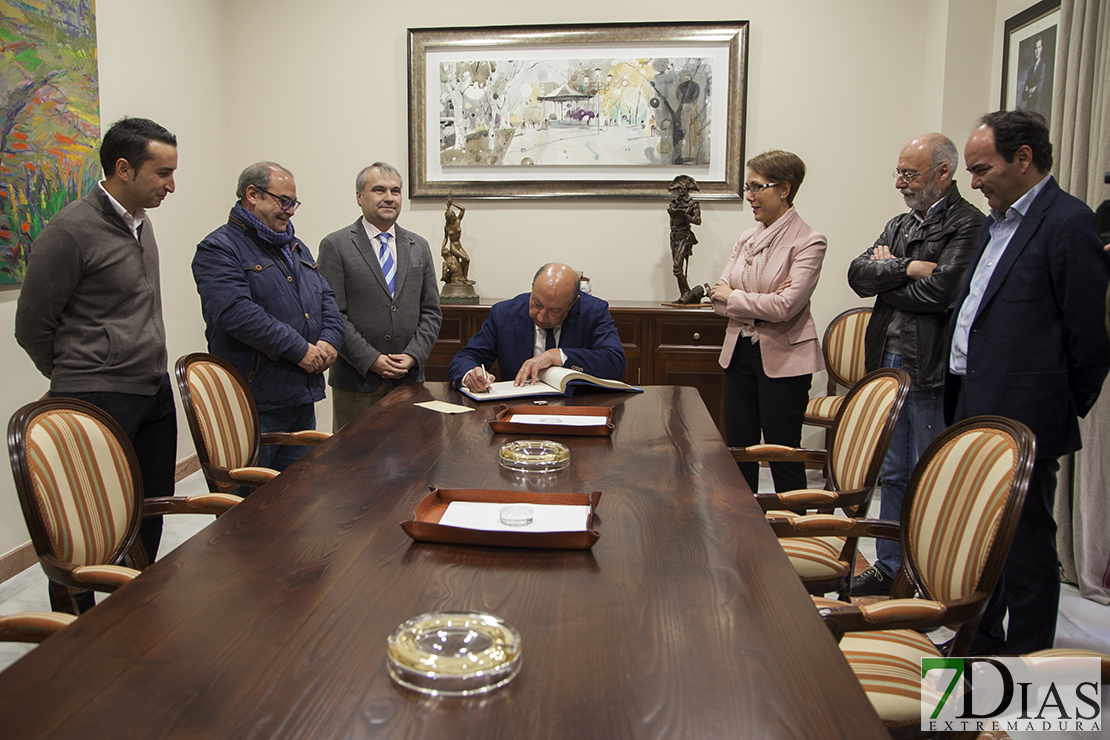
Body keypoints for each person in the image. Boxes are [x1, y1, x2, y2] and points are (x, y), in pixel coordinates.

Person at [948, 110, 1110, 654]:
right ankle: (981, 646)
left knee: (1027, 548)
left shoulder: (1068, 223)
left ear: (1023, 158)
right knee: (983, 538)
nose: (973, 182)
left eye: (980, 168)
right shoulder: (995, 224)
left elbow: (1090, 336)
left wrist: (1059, 406)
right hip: (975, 401)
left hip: (1028, 416)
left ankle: (1030, 664)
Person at [15, 116, 179, 609]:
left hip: (151, 392)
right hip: (97, 397)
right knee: (86, 523)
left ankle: (133, 608)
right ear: (124, 168)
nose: (172, 185)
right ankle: (76, 626)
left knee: (148, 510)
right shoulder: (69, 231)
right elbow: (31, 327)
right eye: (163, 173)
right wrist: (79, 377)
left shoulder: (141, 222)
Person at [846, 134, 983, 597]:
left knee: (928, 474)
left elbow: (942, 294)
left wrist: (888, 275)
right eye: (899, 173)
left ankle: (926, 577)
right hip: (887, 360)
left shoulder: (969, 224)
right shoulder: (899, 223)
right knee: (892, 473)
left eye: (911, 174)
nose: (901, 183)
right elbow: (857, 275)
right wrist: (908, 268)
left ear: (943, 173)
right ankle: (889, 567)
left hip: (929, 369)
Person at [192, 162, 344, 476]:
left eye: (293, 203)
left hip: (301, 398)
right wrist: (299, 349)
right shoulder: (219, 248)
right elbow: (236, 314)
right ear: (252, 195)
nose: (290, 211)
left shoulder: (295, 246)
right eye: (283, 201)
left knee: (298, 499)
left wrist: (330, 340)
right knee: (254, 506)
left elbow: (326, 299)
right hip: (254, 403)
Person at [709, 150, 826, 494]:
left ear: (784, 189)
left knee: (782, 452)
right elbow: (718, 298)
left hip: (786, 360)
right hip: (739, 352)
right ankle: (745, 529)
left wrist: (736, 297)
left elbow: (786, 307)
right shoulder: (746, 238)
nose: (749, 197)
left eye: (757, 187)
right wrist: (751, 301)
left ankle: (795, 532)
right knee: (740, 451)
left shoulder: (809, 241)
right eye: (748, 187)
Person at [317, 163, 442, 429]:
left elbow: (431, 311)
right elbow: (332, 314)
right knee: (354, 464)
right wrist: (371, 359)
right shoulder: (336, 246)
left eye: (395, 191)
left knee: (411, 461)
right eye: (379, 190)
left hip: (409, 381)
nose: (389, 197)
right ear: (359, 196)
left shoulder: (418, 246)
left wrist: (412, 355)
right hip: (357, 383)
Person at [448, 262, 625, 391]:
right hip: (517, 410)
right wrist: (471, 375)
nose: (541, 315)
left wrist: (558, 355)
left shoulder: (593, 312)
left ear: (573, 303)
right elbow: (466, 357)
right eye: (537, 303)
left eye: (554, 310)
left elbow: (614, 362)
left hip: (576, 409)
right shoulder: (504, 314)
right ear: (532, 289)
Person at [441, 196, 472, 285]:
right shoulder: (447, 227)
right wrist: (443, 246)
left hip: (459, 245)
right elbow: (445, 238)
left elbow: (463, 209)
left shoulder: (458, 221)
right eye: (452, 216)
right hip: (453, 246)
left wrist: (452, 203)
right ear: (449, 218)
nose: (454, 217)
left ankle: (464, 278)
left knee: (467, 260)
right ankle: (460, 277)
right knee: (464, 258)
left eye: (454, 215)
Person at [1019, 36, 1049, 121]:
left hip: (1037, 110)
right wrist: (1030, 91)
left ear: (1042, 49)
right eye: (1035, 48)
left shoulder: (1043, 66)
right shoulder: (1030, 71)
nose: (1037, 51)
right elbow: (1024, 96)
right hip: (1029, 112)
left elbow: (1039, 90)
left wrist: (1029, 91)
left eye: (1039, 47)